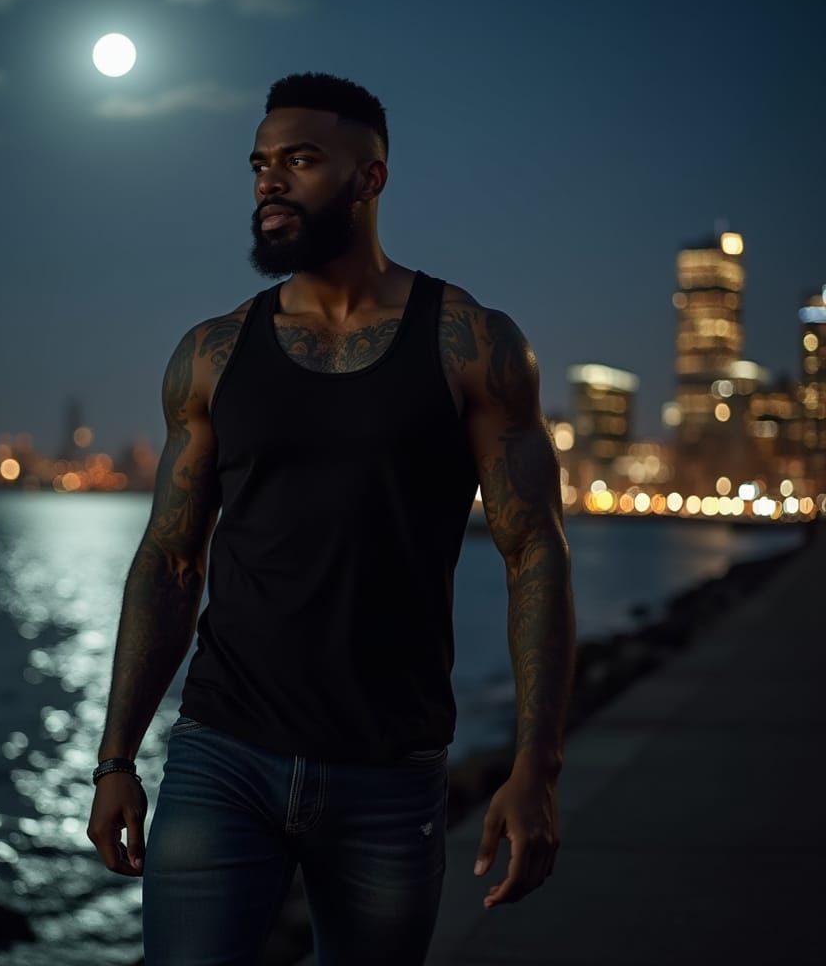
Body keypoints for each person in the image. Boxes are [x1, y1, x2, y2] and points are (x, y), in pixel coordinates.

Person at [87, 71, 576, 964]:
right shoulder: (211, 354)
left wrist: (535, 769)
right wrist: (116, 758)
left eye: (301, 160)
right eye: (260, 164)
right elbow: (169, 562)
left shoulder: (471, 343)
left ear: (370, 178)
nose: (271, 180)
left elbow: (535, 553)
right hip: (222, 754)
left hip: (389, 773)